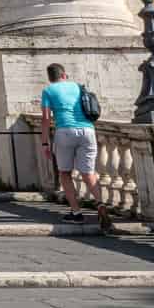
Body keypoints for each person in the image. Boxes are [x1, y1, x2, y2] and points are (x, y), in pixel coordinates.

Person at [40, 63, 100, 223]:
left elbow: (46, 118)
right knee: (89, 172)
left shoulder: (48, 91)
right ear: (64, 75)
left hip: (65, 131)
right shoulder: (79, 87)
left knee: (65, 173)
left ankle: (76, 213)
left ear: (50, 78)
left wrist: (45, 143)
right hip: (88, 131)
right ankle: (101, 205)